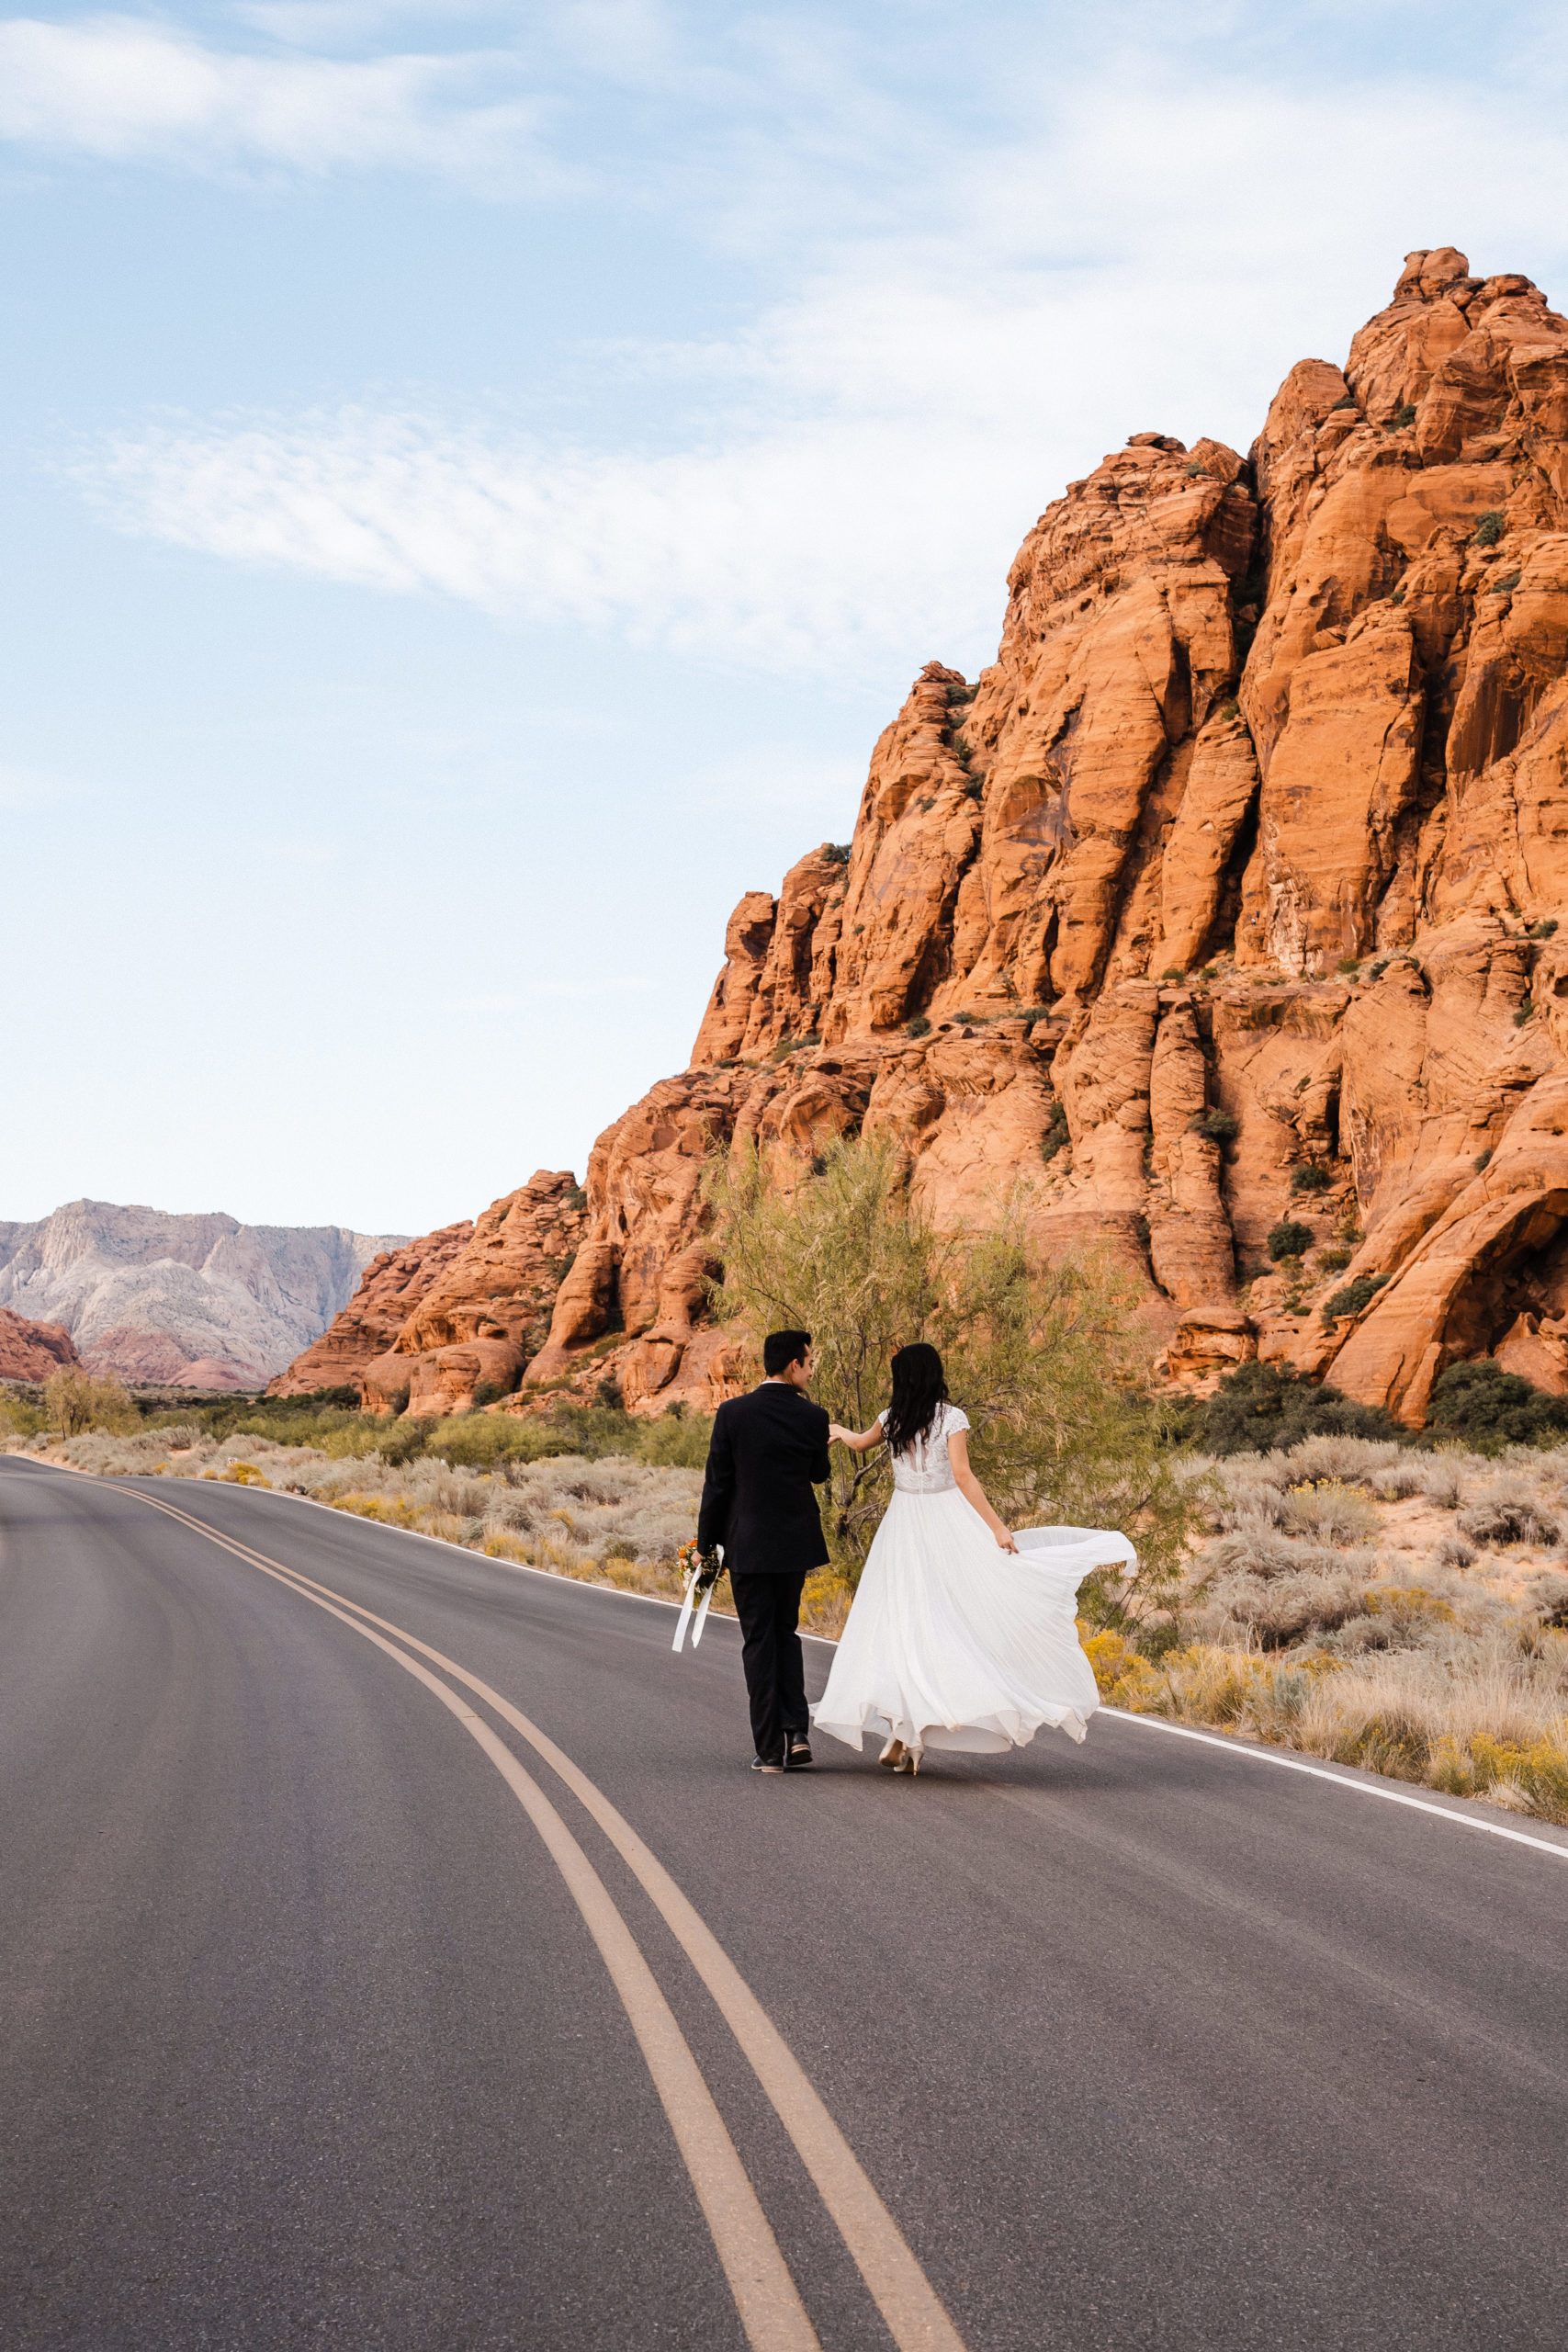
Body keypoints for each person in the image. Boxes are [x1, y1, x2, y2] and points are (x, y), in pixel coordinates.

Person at [810, 1341, 1133, 1774]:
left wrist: (836, 1429)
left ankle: (904, 1731)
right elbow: (963, 1476)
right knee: (949, 1618)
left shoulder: (892, 1419)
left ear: (901, 1379)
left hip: (903, 1525)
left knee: (900, 1621)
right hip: (945, 1521)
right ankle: (912, 1732)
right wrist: (997, 1527)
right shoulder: (951, 1418)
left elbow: (860, 1445)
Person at [696, 1328, 831, 1774]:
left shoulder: (733, 1412)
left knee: (759, 1641)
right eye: (809, 1362)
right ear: (794, 1364)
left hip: (748, 1543)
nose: (811, 1369)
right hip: (794, 1543)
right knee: (786, 1633)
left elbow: (717, 1484)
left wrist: (705, 1547)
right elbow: (818, 1475)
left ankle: (770, 1748)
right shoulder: (814, 1417)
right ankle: (797, 1733)